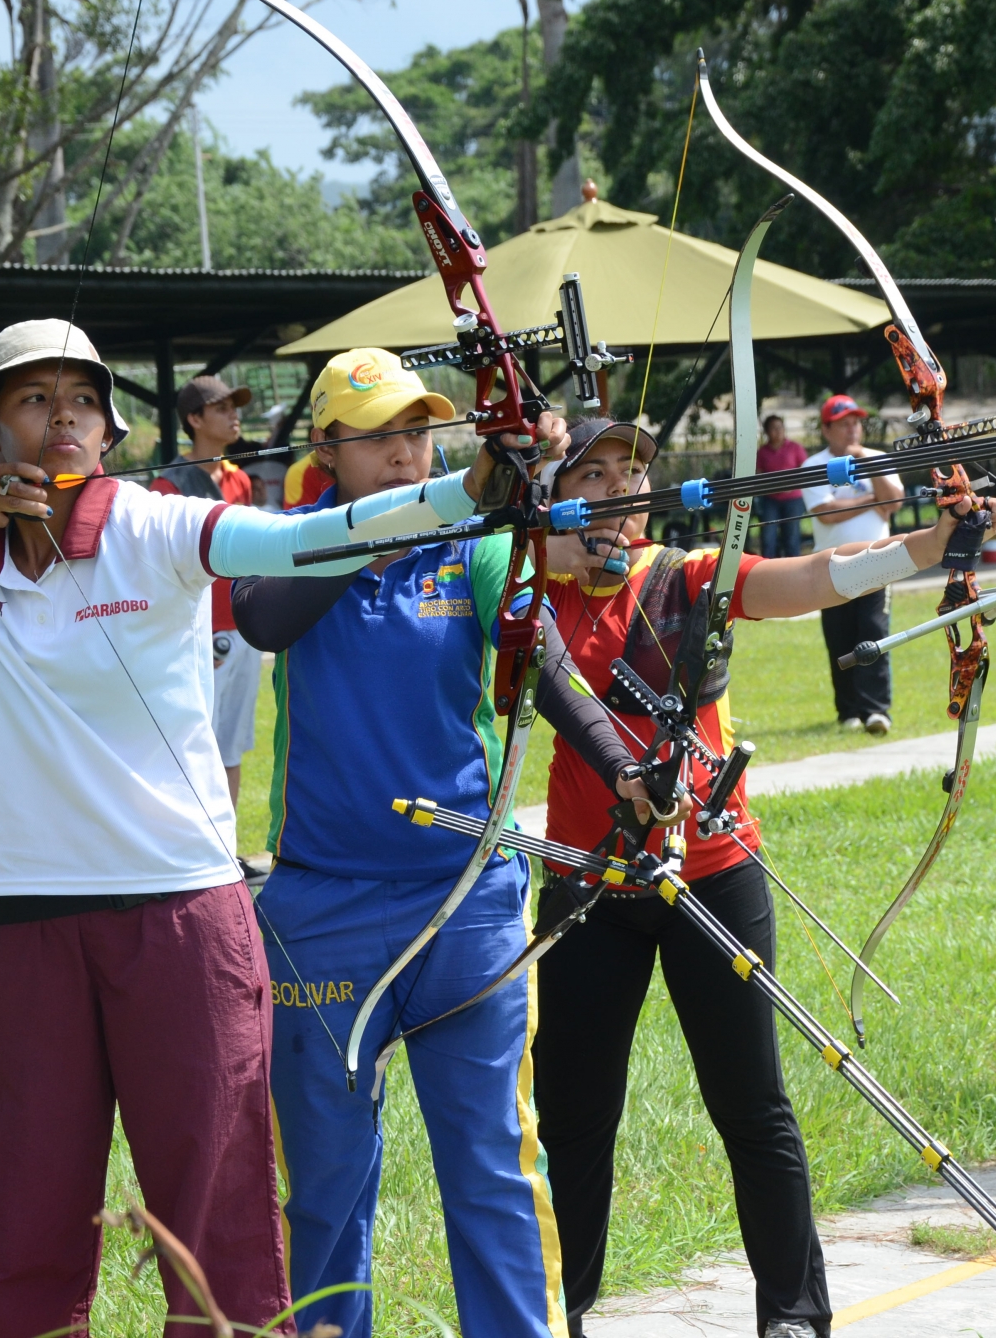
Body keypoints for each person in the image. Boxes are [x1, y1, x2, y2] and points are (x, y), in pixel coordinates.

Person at [0, 319, 542, 1337]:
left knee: (217, 1234)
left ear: (109, 429)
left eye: (80, 398)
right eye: (33, 400)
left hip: (180, 916)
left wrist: (460, 494)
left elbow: (297, 542)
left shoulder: (159, 525)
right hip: (25, 922)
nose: (61, 415)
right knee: (28, 1234)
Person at [530, 418, 996, 1338]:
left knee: (752, 1104)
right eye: (589, 476)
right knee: (574, 1113)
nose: (614, 491)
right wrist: (546, 541)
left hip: (713, 869)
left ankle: (794, 1316)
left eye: (629, 471)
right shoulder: (524, 593)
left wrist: (927, 544)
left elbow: (809, 581)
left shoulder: (687, 574)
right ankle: (562, 1311)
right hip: (593, 881)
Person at [229, 348, 640, 1338]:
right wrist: (372, 536)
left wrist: (623, 766)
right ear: (325, 445)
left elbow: (539, 657)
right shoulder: (289, 541)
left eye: (419, 433)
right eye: (380, 435)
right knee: (325, 1187)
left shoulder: (473, 543)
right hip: (318, 911)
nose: (406, 452)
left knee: (491, 1167)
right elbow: (262, 618)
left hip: (467, 905)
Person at [152, 374, 261, 830]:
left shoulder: (240, 480)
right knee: (196, 745)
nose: (234, 415)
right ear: (193, 419)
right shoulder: (166, 487)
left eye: (234, 406)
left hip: (246, 628)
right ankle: (199, 846)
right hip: (200, 632)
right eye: (221, 408)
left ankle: (229, 850)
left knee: (231, 743)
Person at [801, 394, 906, 735]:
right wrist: (873, 500)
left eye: (856, 422)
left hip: (878, 562)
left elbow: (895, 502)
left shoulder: (877, 458)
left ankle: (876, 712)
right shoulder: (813, 465)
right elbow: (827, 514)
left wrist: (868, 465)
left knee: (874, 634)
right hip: (832, 566)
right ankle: (848, 712)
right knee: (840, 638)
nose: (852, 430)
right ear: (826, 429)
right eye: (844, 424)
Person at [754, 413, 807, 559]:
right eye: (773, 428)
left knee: (791, 536)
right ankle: (767, 569)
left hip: (793, 498)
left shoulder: (795, 448)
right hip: (771, 500)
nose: (777, 431)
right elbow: (758, 475)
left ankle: (793, 570)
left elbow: (805, 470)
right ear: (767, 432)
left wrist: (792, 484)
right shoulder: (762, 452)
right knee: (768, 537)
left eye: (780, 427)